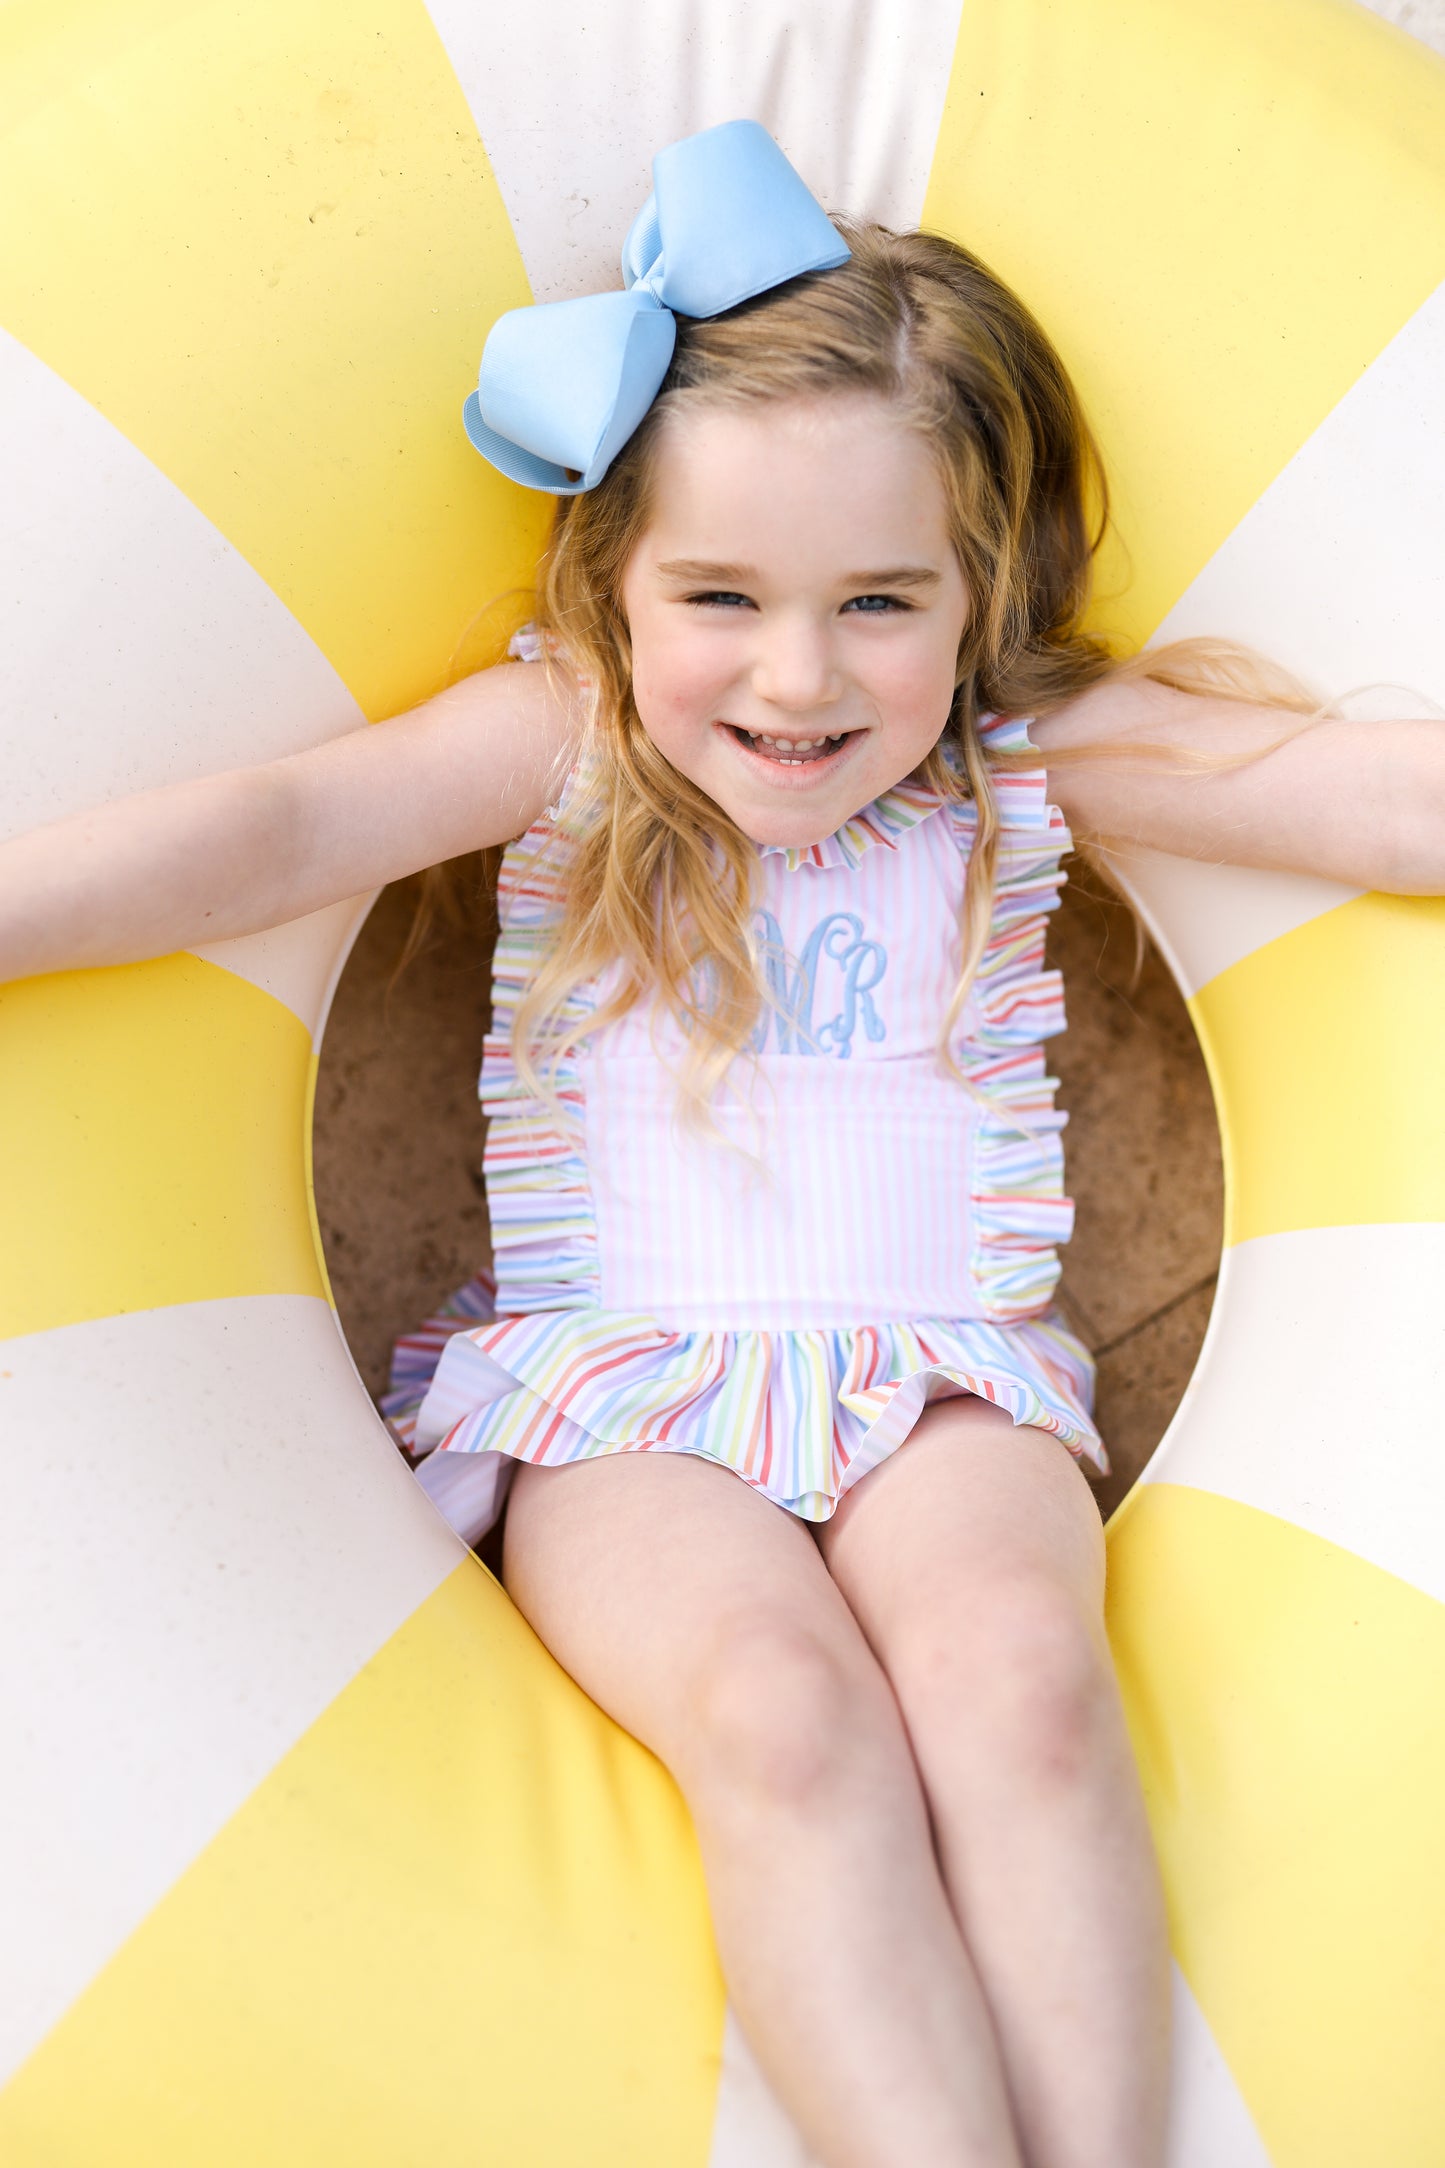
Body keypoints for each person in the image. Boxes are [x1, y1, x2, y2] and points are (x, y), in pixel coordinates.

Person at [3, 118, 1442, 2168]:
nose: (797, 673)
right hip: (625, 1405)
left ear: (973, 596)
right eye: (721, 595)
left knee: (1026, 1684)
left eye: (878, 600)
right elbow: (282, 832)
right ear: (617, 579)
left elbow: (1379, 803)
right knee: (785, 1717)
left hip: (943, 1378)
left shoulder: (1010, 762)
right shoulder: (576, 744)